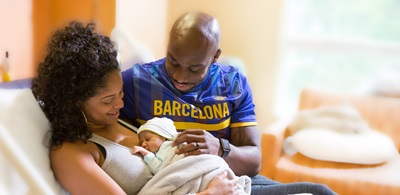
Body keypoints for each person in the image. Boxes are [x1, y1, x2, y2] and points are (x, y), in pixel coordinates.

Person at [120, 11, 338, 195]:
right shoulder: (137, 83)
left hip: (227, 179)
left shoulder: (233, 84)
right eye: (173, 61)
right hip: (173, 183)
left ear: (215, 56)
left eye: (194, 68)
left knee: (319, 191)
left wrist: (220, 148)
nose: (180, 76)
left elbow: (254, 161)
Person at [31, 21, 239, 195]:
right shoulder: (71, 154)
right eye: (107, 100)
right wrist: (211, 193)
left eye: (120, 93)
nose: (120, 104)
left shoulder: (116, 120)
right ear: (75, 100)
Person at [133, 117, 251, 194]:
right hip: (195, 176)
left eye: (148, 139)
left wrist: (147, 155)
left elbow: (158, 168)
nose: (143, 144)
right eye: (141, 142)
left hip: (207, 166)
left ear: (164, 136)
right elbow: (161, 169)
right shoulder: (161, 152)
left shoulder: (171, 144)